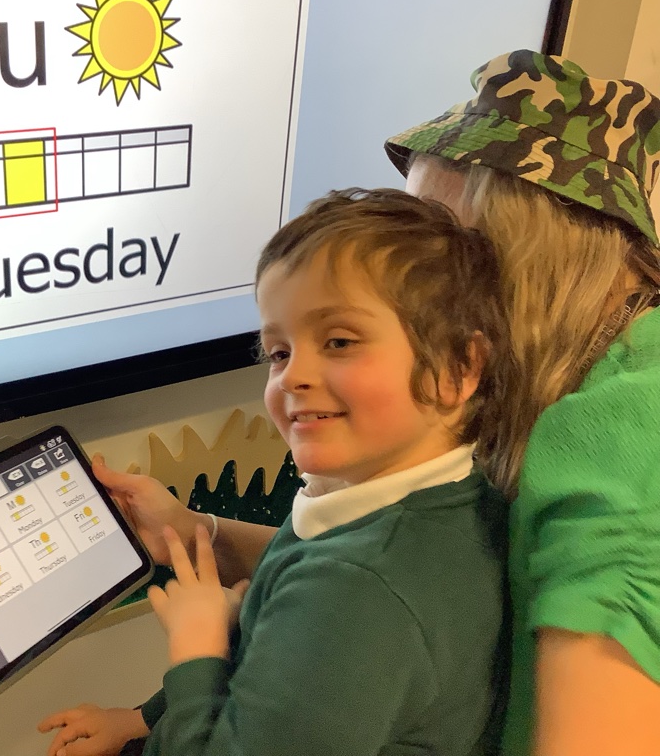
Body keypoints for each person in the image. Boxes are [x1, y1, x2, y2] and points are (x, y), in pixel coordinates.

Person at [38, 187, 511, 756]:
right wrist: (141, 719)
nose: (291, 377)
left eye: (339, 341)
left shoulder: (355, 591)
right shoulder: (404, 500)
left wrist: (196, 650)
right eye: (279, 352)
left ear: (459, 368)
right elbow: (273, 657)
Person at [383, 49, 660, 756]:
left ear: (526, 252)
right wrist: (201, 536)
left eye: (428, 256)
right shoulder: (589, 366)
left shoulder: (617, 431)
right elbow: (408, 575)